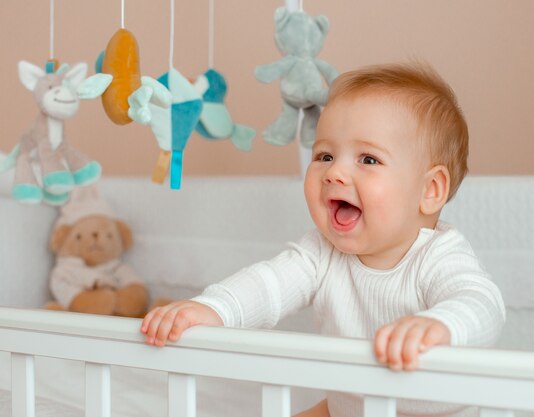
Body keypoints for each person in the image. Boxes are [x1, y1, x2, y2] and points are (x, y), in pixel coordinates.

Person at [141, 62, 506, 417]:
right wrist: (215, 309)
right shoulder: (320, 251)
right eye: (325, 155)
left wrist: (442, 325)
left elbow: (481, 302)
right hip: (346, 409)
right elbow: (268, 284)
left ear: (431, 190)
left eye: (368, 159)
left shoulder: (438, 255)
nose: (334, 172)